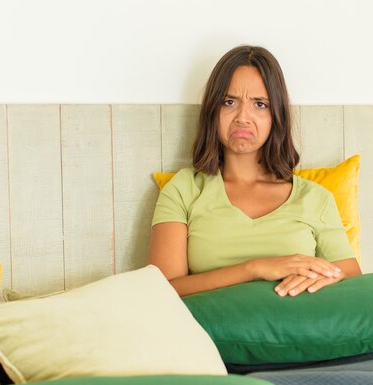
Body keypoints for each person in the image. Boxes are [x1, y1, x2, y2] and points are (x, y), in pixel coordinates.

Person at [148, 45, 361, 297]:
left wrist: (321, 278)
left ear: (276, 115)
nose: (243, 117)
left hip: (299, 332)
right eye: (229, 102)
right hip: (209, 334)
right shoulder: (184, 189)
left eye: (260, 104)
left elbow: (351, 275)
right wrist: (255, 268)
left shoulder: (316, 197)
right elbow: (162, 292)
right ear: (212, 112)